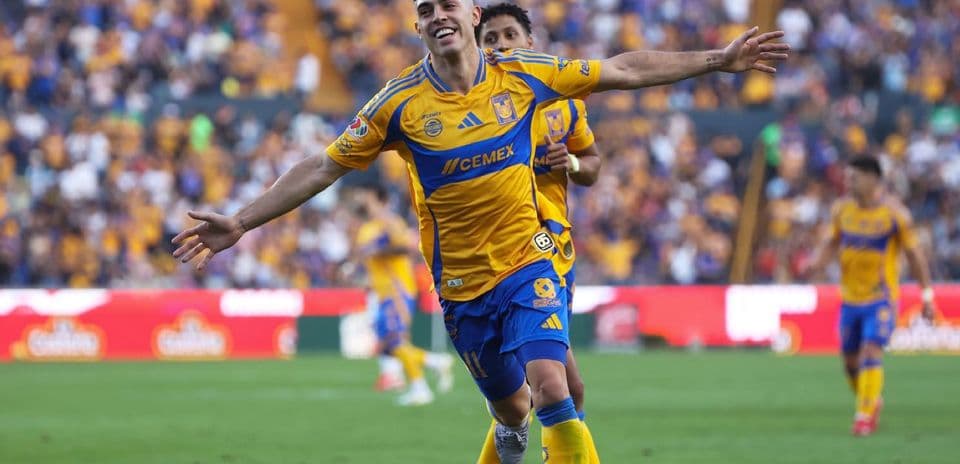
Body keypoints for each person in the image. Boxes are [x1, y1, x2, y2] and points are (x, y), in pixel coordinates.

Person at [172, 1, 788, 460]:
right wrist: (243, 220)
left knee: (553, 385)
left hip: (529, 261)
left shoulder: (525, 75)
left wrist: (718, 60)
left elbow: (620, 69)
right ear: (418, 27)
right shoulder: (397, 105)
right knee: (511, 407)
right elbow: (324, 164)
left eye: (447, 4)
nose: (438, 14)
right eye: (424, 9)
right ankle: (510, 436)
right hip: (463, 286)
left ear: (469, 14)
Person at [474, 4, 601, 462]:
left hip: (555, 249)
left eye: (510, 35)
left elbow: (592, 165)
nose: (501, 45)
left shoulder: (564, 102)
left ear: (531, 44)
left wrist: (567, 163)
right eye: (490, 39)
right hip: (507, 257)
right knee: (554, 388)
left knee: (554, 391)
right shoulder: (473, 109)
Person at [806, 156, 936, 437]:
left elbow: (915, 256)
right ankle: (871, 399)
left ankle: (864, 416)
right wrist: (816, 263)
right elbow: (832, 241)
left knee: (870, 350)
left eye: (853, 177)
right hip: (850, 298)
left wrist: (926, 295)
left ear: (873, 178)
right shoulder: (842, 210)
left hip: (881, 298)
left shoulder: (894, 215)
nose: (848, 182)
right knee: (849, 362)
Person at [353, 186, 454, 405]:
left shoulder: (392, 223)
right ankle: (435, 362)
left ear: (379, 200)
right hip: (382, 292)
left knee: (395, 340)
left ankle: (420, 388)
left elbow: (405, 248)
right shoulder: (367, 228)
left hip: (397, 290)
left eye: (367, 197)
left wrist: (378, 252)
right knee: (388, 344)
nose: (362, 200)